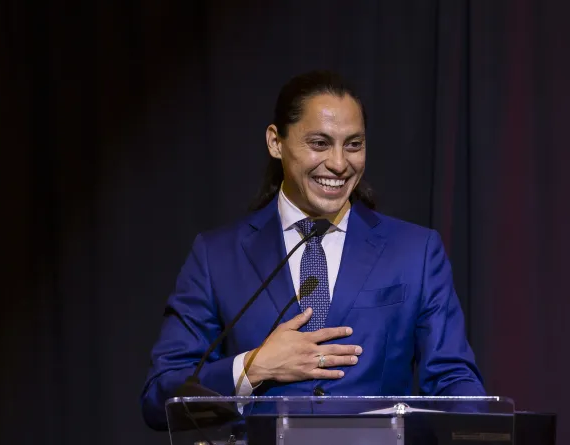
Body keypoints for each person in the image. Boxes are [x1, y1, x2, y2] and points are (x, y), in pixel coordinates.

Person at [140, 70, 485, 430]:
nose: (339, 163)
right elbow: (159, 398)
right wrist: (252, 367)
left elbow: (453, 381)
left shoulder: (415, 251)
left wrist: (480, 431)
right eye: (320, 143)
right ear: (276, 142)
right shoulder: (216, 256)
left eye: (353, 145)